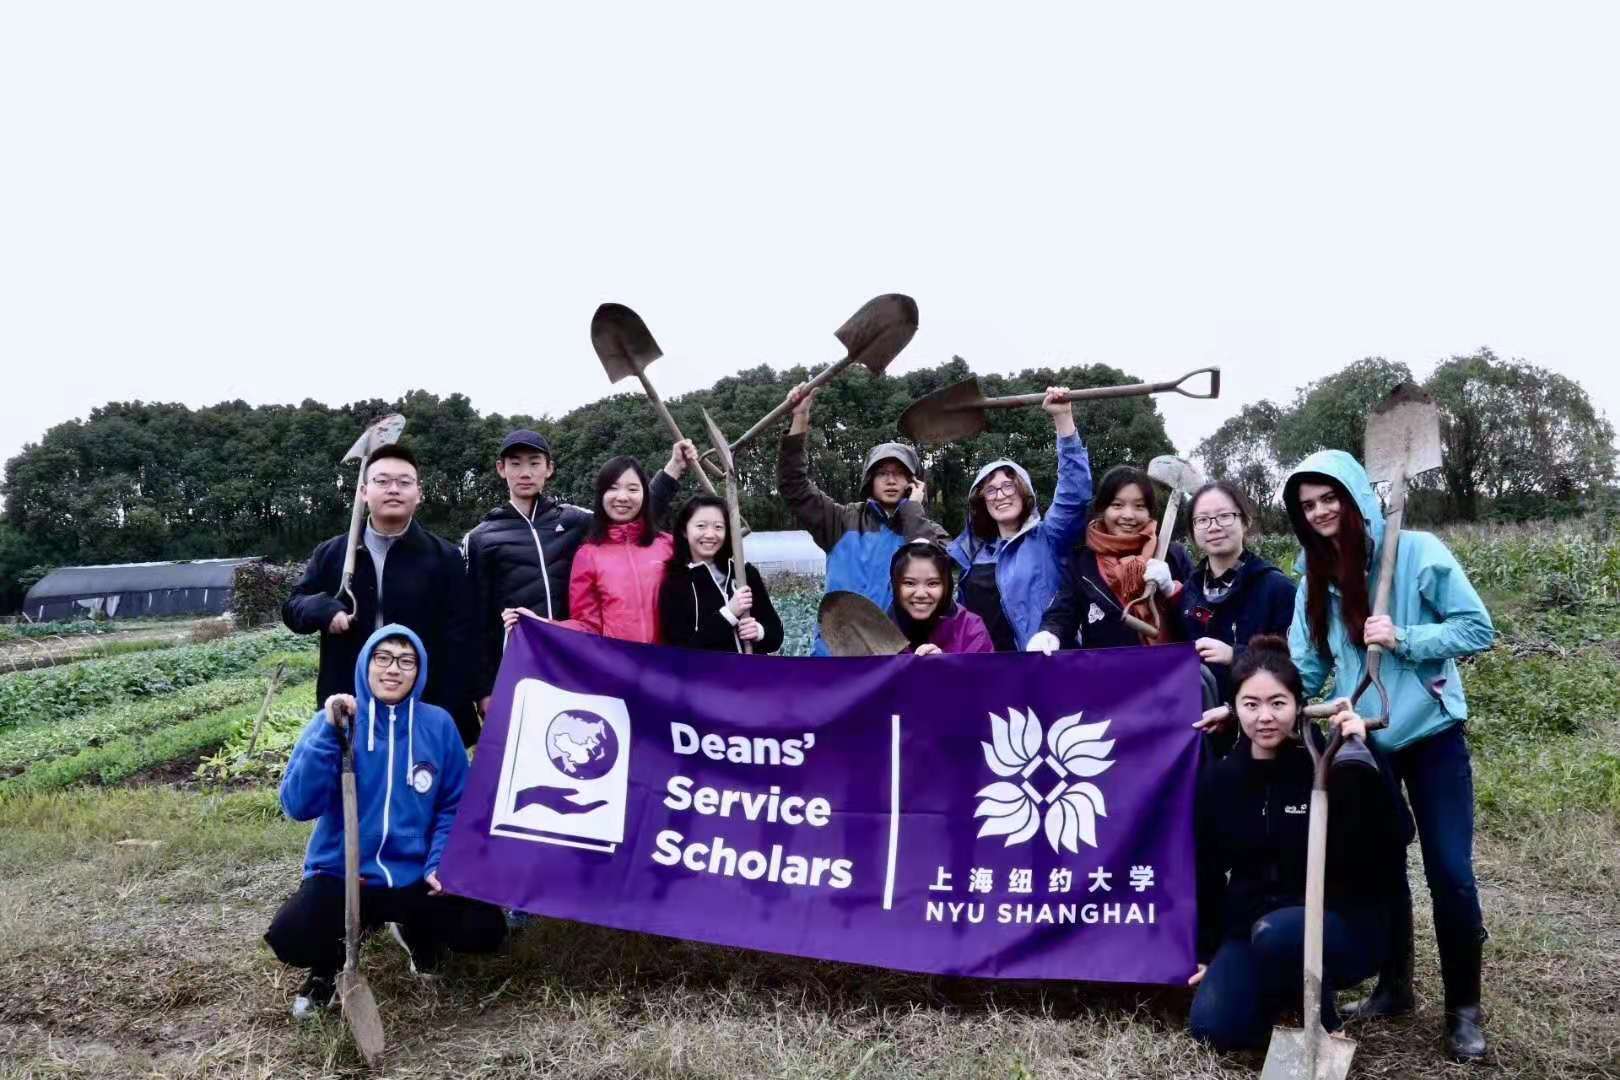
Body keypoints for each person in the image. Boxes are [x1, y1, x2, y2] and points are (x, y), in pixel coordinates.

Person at [1283, 449, 1496, 1062]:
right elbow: (1310, 666)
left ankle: (1464, 1009)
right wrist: (1267, 698)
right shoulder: (1314, 579)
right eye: (1308, 505)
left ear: (1355, 498)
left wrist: (1403, 637)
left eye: (1330, 499)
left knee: (1449, 873)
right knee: (1382, 868)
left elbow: (1477, 628)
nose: (1321, 512)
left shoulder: (1418, 552)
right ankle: (1395, 986)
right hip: (1363, 738)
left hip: (1430, 734)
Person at [265, 625, 506, 1018]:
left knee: (485, 930)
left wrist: (438, 862)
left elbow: (453, 806)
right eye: (384, 658)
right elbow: (298, 805)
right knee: (292, 936)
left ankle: (417, 933)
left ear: (419, 671)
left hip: (414, 874)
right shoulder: (335, 722)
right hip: (345, 875)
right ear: (366, 664)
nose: (394, 669)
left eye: (406, 661)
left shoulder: (439, 725)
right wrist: (329, 734)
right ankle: (327, 967)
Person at [1188, 635, 1412, 1052]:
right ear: (1235, 709)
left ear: (1298, 705)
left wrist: (1366, 749)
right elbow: (1206, 869)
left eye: (1278, 703)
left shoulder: (1325, 764)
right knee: (1213, 1028)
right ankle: (1283, 991)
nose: (1265, 717)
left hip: (1336, 927)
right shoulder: (1221, 780)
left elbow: (1398, 834)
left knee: (1279, 934)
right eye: (1250, 705)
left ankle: (1324, 1022)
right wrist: (1208, 951)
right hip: (1252, 927)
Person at [466, 432, 693, 709]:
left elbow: (629, 513)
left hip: (575, 663)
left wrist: (673, 471)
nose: (525, 472)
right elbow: (475, 620)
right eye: (515, 463)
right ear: (501, 469)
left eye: (535, 463)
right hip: (520, 666)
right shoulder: (481, 537)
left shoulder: (574, 520)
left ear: (549, 468)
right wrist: (483, 690)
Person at [282, 443, 479, 745]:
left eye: (404, 482)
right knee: (354, 785)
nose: (393, 490)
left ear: (419, 493)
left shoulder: (444, 557)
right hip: (351, 699)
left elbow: (461, 636)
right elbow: (293, 608)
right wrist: (323, 609)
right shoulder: (334, 553)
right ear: (364, 492)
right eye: (382, 481)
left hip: (422, 704)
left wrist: (453, 708)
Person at [778, 383, 947, 655]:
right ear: (870, 480)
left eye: (899, 473)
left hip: (899, 661)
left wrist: (914, 511)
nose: (891, 480)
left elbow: (942, 582)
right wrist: (800, 418)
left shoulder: (930, 532)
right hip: (834, 657)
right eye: (882, 473)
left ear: (914, 481)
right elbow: (793, 486)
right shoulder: (841, 521)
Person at [946, 388, 1092, 651]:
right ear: (982, 502)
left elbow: (1075, 493)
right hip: (989, 677)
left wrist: (1063, 419)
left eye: (1008, 486)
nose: (1000, 495)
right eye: (990, 490)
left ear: (1024, 492)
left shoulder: (1049, 538)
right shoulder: (971, 554)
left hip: (1046, 665)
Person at [1028, 464, 1193, 652]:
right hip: (1108, 676)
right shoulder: (1083, 564)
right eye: (1117, 505)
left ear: (1150, 512)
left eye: (1139, 506)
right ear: (1102, 509)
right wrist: (1049, 633)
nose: (1128, 515)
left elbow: (1200, 622)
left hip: (1173, 674)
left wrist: (1173, 591)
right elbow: (1062, 613)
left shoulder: (1174, 556)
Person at [1174, 481, 1297, 707]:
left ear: (1245, 521)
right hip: (1200, 723)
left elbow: (1294, 664)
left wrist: (1236, 655)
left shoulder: (1277, 589)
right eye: (1202, 520)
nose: (1213, 527)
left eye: (1224, 516)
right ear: (1192, 531)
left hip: (1258, 726)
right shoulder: (1189, 592)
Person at [565, 453, 690, 644]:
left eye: (632, 489)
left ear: (645, 495)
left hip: (669, 666)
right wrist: (539, 624)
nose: (622, 497)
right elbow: (587, 627)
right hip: (618, 667)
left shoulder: (669, 545)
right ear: (601, 495)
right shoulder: (588, 555)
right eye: (613, 488)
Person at [657, 495, 784, 653]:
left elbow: (776, 635)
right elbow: (682, 652)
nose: (710, 534)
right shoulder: (675, 583)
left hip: (752, 675)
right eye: (701, 526)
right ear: (684, 530)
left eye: (718, 527)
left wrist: (759, 632)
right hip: (707, 677)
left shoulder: (745, 574)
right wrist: (729, 614)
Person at [890, 539, 994, 656]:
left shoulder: (970, 629)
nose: (921, 594)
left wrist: (945, 665)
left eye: (932, 583)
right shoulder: (879, 631)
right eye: (909, 583)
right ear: (895, 586)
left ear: (946, 586)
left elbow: (985, 673)